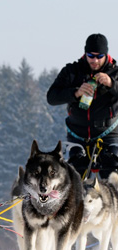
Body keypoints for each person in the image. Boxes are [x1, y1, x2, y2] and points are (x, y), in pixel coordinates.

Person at [47, 33, 118, 179]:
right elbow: (52, 97)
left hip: (109, 134)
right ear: (85, 53)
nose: (95, 60)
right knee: (74, 178)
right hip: (77, 134)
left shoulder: (115, 73)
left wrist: (112, 84)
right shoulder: (72, 72)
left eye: (99, 56)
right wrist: (76, 92)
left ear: (106, 54)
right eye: (91, 55)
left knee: (112, 174)